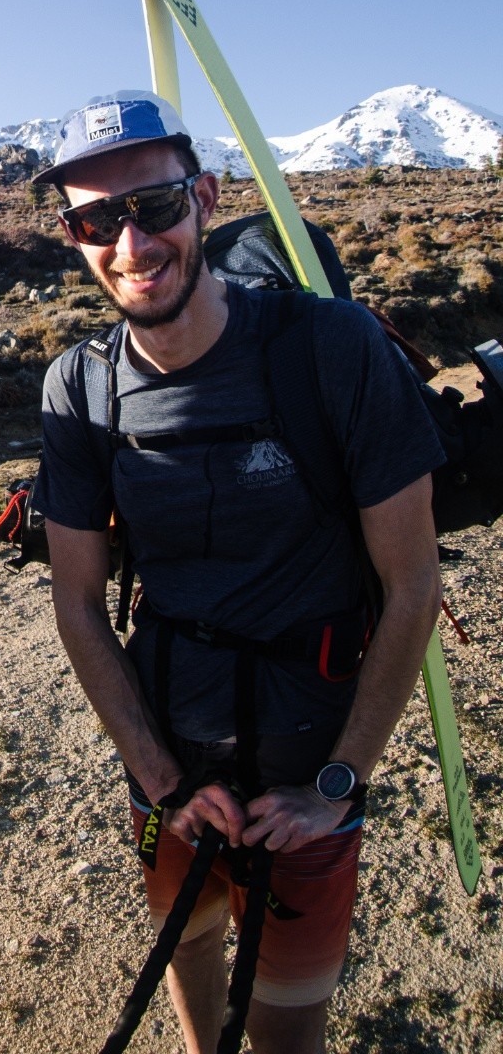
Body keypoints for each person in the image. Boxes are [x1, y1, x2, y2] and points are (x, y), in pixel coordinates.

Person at [31, 92, 443, 1054]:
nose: (130, 243)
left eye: (156, 207)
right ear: (73, 237)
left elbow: (414, 585)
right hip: (169, 767)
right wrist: (162, 778)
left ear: (207, 198)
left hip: (309, 774)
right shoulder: (78, 386)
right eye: (97, 221)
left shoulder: (328, 348)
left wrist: (338, 783)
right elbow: (78, 602)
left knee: (286, 1028)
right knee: (192, 964)